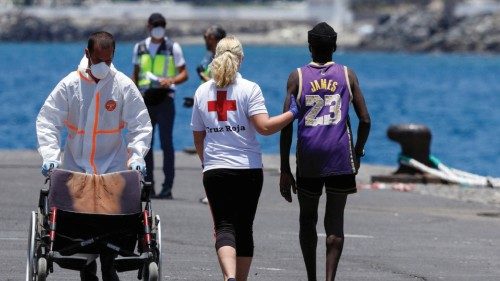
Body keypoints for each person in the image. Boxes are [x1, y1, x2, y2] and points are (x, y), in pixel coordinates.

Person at [36, 31, 152, 281]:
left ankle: (109, 265)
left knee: (114, 222)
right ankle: (87, 268)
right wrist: (50, 154)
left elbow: (140, 124)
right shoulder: (70, 84)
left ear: (113, 57)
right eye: (98, 60)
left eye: (108, 61)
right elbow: (48, 120)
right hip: (76, 165)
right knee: (78, 222)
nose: (103, 66)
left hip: (113, 165)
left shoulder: (122, 85)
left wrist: (137, 156)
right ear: (87, 54)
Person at [190, 36, 298, 281]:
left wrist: (206, 163)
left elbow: (198, 137)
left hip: (215, 169)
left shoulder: (202, 91)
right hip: (247, 169)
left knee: (224, 227)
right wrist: (293, 113)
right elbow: (265, 128)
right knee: (244, 228)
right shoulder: (250, 89)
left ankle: (229, 277)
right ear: (241, 59)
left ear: (215, 56)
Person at [279, 22, 371, 281]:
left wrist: (285, 169)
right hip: (340, 157)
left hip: (309, 159)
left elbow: (286, 125)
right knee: (335, 221)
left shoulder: (297, 76)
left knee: (307, 219)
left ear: (310, 47)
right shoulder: (346, 75)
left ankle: (311, 278)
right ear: (335, 47)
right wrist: (358, 151)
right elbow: (365, 120)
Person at [132, 13, 189, 199]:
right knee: (146, 144)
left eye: (161, 25)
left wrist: (170, 80)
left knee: (167, 144)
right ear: (148, 26)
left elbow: (184, 74)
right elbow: (135, 75)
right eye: (156, 24)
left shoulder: (173, 47)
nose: (158, 27)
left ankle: (167, 187)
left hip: (165, 100)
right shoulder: (139, 47)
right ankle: (148, 186)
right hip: (146, 99)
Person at [196, 25, 226, 204]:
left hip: (221, 107)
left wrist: (206, 78)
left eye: (207, 37)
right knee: (208, 149)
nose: (205, 40)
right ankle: (212, 190)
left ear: (215, 39)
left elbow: (222, 83)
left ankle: (218, 191)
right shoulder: (208, 57)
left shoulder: (224, 59)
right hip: (209, 106)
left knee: (218, 148)